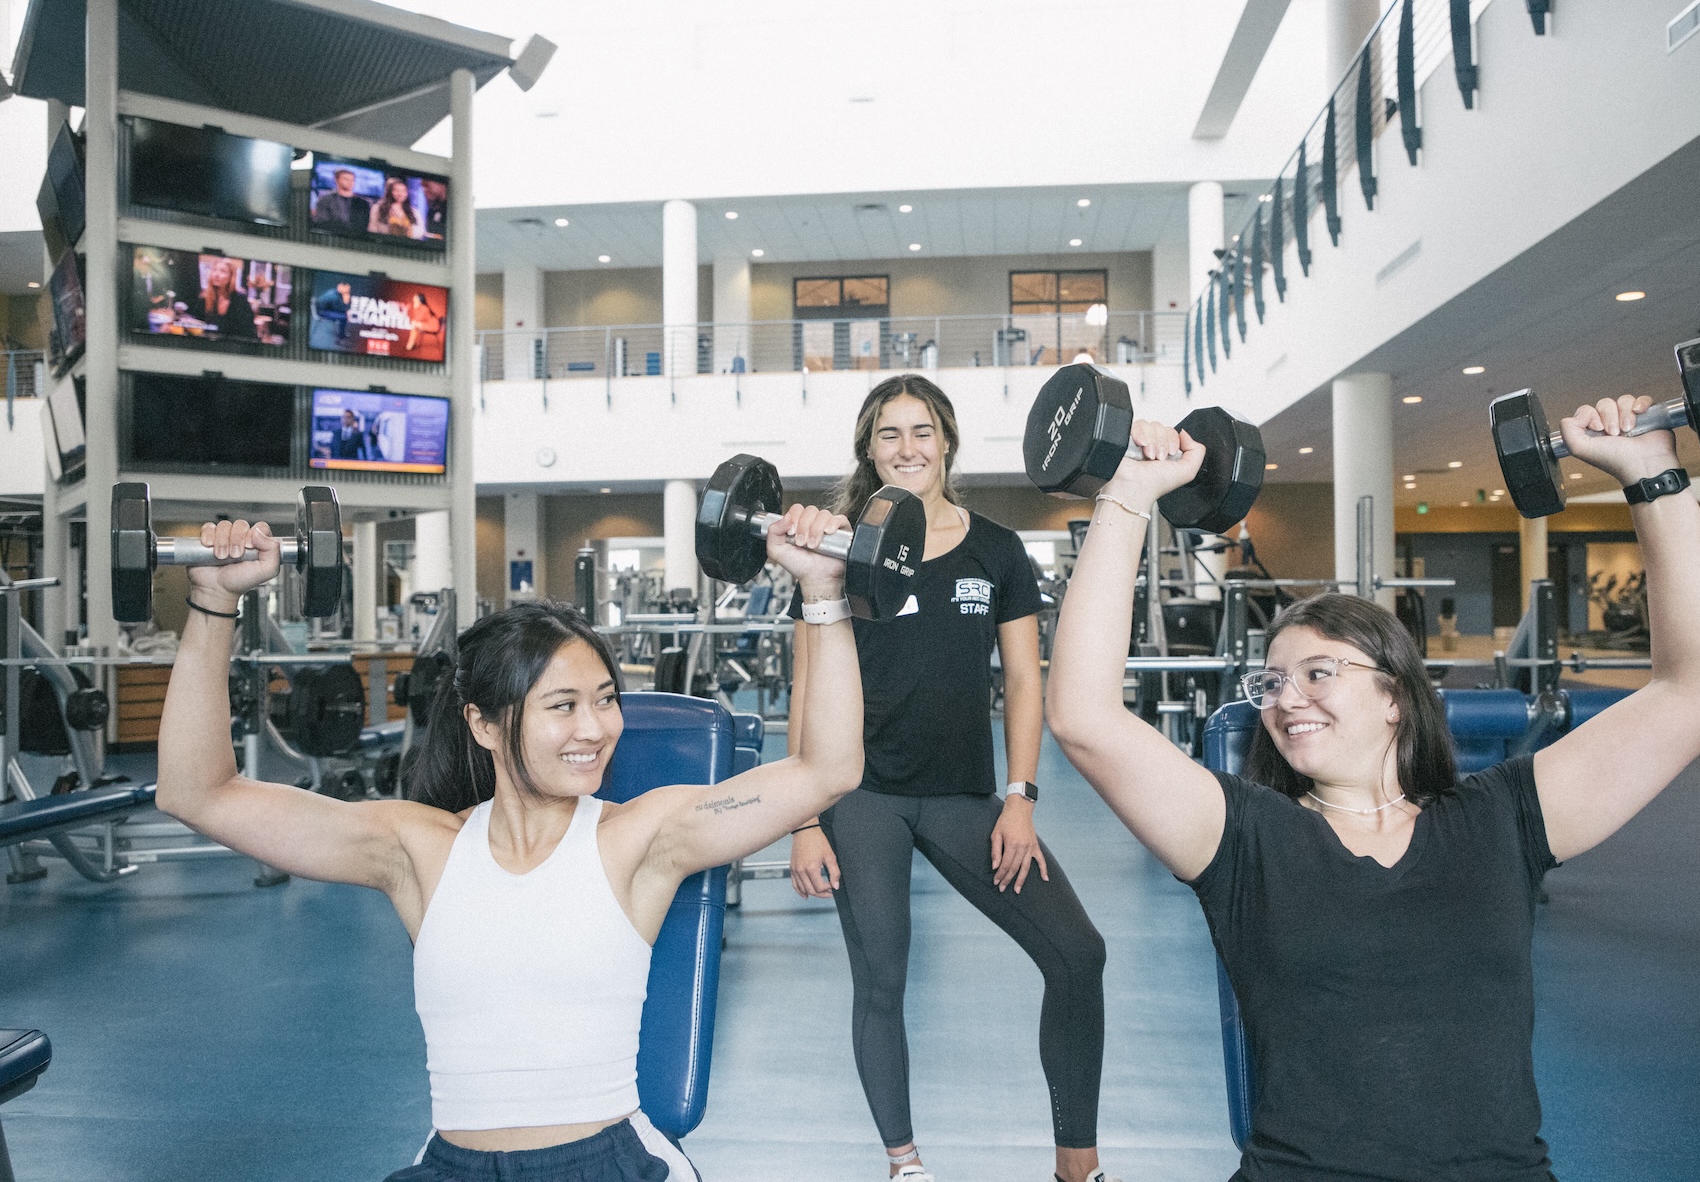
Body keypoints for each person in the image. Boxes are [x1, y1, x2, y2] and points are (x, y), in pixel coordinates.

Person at [1044, 395, 1700, 1181]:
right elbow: (1083, 718)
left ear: (1393, 695)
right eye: (1270, 682)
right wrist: (1130, 494)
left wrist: (1653, 474)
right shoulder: (1244, 839)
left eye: (1318, 673)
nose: (1285, 698)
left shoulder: (1500, 820)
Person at [156, 503, 863, 1181]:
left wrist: (822, 589)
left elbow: (828, 769)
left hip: (607, 1163)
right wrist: (215, 603)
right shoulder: (416, 848)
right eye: (563, 706)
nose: (595, 729)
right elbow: (199, 794)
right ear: (485, 724)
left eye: (605, 698)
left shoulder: (642, 838)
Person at [787, 374, 1116, 1182]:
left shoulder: (996, 549)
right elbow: (805, 682)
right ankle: (905, 1164)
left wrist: (1021, 798)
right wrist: (800, 819)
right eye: (890, 434)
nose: (908, 449)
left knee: (1077, 954)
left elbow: (1025, 683)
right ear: (869, 449)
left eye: (922, 431)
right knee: (883, 978)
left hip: (965, 794)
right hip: (859, 793)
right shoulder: (838, 549)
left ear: (948, 442)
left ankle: (1079, 1165)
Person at [199, 255, 257, 342]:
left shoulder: (240, 299)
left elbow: (249, 332)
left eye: (222, 271)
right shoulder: (205, 297)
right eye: (214, 270)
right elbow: (198, 323)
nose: (216, 275)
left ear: (231, 277)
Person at [313, 168, 372, 233]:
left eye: (352, 180)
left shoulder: (363, 203)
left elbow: (364, 225)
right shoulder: (325, 200)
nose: (350, 182)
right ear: (336, 180)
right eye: (346, 179)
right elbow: (321, 221)